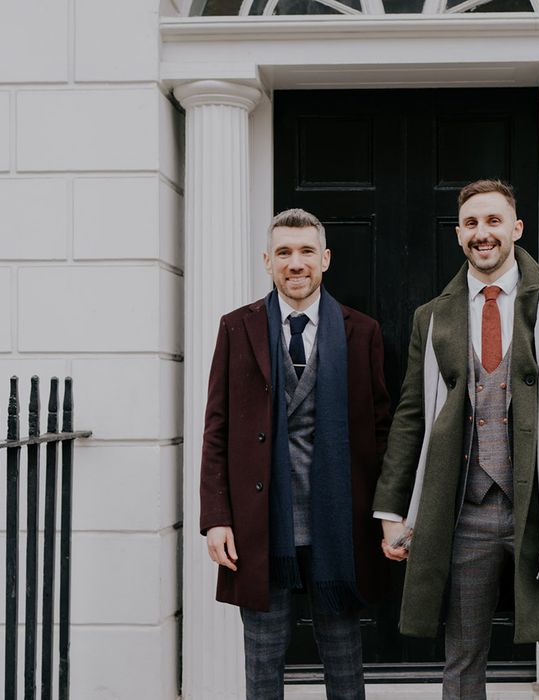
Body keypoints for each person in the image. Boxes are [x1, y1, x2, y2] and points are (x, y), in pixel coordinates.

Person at [373, 180, 539, 700]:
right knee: (462, 656)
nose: (482, 234)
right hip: (463, 511)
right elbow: (411, 415)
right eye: (471, 224)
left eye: (493, 221)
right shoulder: (432, 317)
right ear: (459, 233)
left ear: (516, 228)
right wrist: (393, 509)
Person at [200, 208, 390, 700]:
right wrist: (216, 517)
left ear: (325, 259)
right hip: (260, 524)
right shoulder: (236, 328)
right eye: (284, 252)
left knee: (344, 659)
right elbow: (216, 428)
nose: (296, 262)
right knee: (263, 662)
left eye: (306, 251)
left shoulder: (361, 331)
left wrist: (388, 510)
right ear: (268, 261)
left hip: (338, 523)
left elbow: (382, 429)